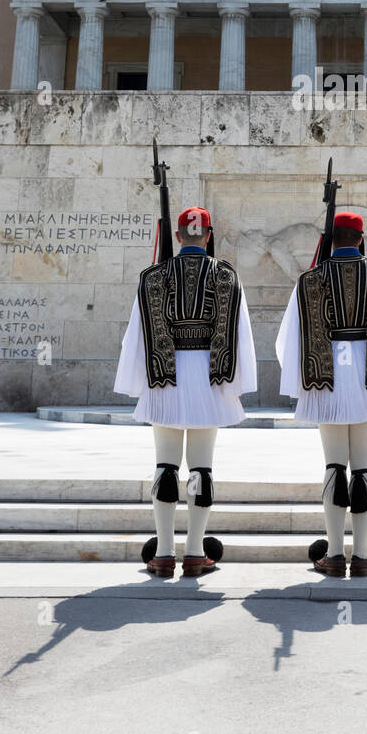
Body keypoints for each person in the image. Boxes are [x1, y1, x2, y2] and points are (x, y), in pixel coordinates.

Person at [114, 206, 256, 579]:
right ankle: (195, 552)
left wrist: (137, 382)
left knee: (165, 465)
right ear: (208, 235)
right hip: (210, 376)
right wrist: (235, 384)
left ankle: (162, 553)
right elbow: (239, 335)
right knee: (201, 467)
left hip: (166, 378)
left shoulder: (152, 277)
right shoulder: (226, 276)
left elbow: (137, 336)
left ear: (178, 236)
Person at [276, 211, 367, 578]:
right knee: (364, 466)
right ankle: (364, 553)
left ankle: (334, 554)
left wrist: (300, 382)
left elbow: (289, 338)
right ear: (361, 238)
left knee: (334, 465)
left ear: (330, 238)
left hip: (326, 377)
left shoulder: (309, 280)